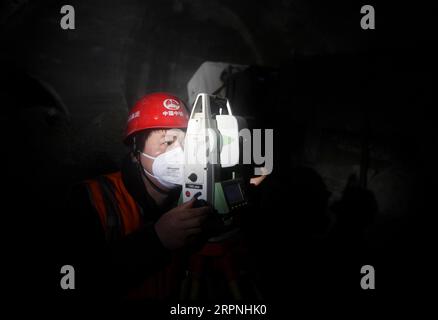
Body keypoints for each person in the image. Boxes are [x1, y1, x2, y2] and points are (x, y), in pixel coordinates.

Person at [67, 92, 214, 300]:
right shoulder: (91, 199)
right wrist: (156, 240)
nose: (180, 152)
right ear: (136, 153)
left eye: (185, 141)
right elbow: (69, 281)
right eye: (167, 141)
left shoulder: (194, 196)